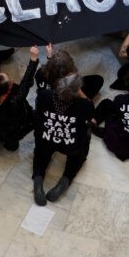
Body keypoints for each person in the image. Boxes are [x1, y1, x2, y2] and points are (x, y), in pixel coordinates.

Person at [33, 73, 94, 206]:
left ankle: (38, 180)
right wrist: (80, 93)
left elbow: (38, 111)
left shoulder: (45, 95)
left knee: (40, 153)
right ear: (76, 92)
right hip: (70, 144)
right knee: (78, 155)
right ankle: (65, 180)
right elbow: (91, 112)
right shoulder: (83, 105)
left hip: (46, 138)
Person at [0, 46, 40, 156]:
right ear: (9, 88)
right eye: (9, 80)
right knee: (37, 118)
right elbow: (25, 83)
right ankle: (7, 144)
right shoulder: (15, 102)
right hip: (11, 132)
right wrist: (33, 60)